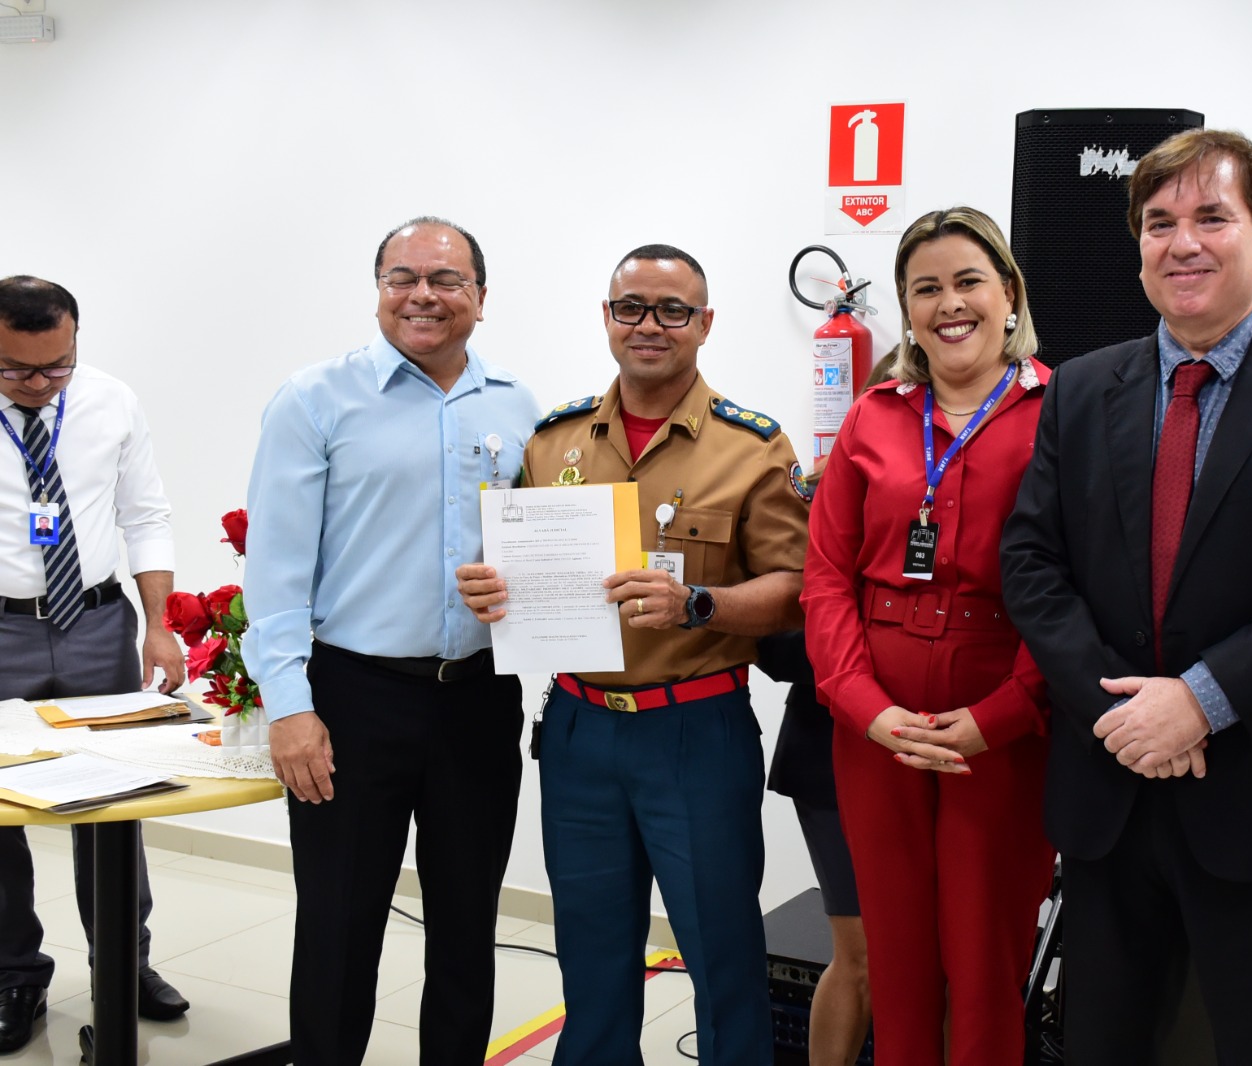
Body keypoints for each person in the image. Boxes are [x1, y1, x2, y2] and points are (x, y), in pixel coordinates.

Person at [1000, 129, 1252, 1063]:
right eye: (1158, 223)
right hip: (1111, 800)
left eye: (1211, 217)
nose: (1181, 242)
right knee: (1103, 1044)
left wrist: (1199, 701)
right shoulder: (1077, 388)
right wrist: (1124, 712)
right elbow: (1031, 561)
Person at [457, 243, 808, 1066]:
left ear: (705, 324)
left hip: (694, 731)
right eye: (632, 308)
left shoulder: (752, 446)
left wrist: (700, 603)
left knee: (721, 957)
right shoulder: (553, 441)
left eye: (672, 310)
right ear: (607, 319)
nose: (650, 326)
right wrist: (492, 591)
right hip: (580, 731)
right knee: (592, 956)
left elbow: (797, 585)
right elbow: (522, 567)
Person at [241, 217, 540, 1065]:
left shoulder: (519, 405)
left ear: (480, 298)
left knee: (466, 922)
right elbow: (276, 571)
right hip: (352, 699)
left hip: (477, 700)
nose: (423, 295)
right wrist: (290, 709)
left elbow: (534, 550)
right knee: (338, 922)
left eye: (446, 281)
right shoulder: (314, 400)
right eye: (401, 276)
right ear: (377, 289)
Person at [800, 207, 1056, 1066]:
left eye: (968, 281)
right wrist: (863, 707)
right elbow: (827, 577)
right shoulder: (874, 415)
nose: (950, 304)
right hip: (878, 723)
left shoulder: (1062, 414)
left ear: (1010, 294)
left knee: (986, 965)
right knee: (897, 960)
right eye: (927, 288)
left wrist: (1010, 712)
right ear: (906, 310)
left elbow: (1080, 589)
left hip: (1001, 724)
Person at [0, 275, 190, 1054]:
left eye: (58, 366)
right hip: (3, 628)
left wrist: (159, 626)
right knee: (1, 813)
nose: (41, 386)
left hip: (98, 625)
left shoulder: (111, 400)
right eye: (17, 371)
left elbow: (145, 513)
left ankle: (124, 961)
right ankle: (13, 972)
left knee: (113, 801)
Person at [759, 354, 894, 1066]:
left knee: (938, 962)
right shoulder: (816, 501)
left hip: (948, 747)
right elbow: (777, 650)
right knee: (863, 956)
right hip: (833, 754)